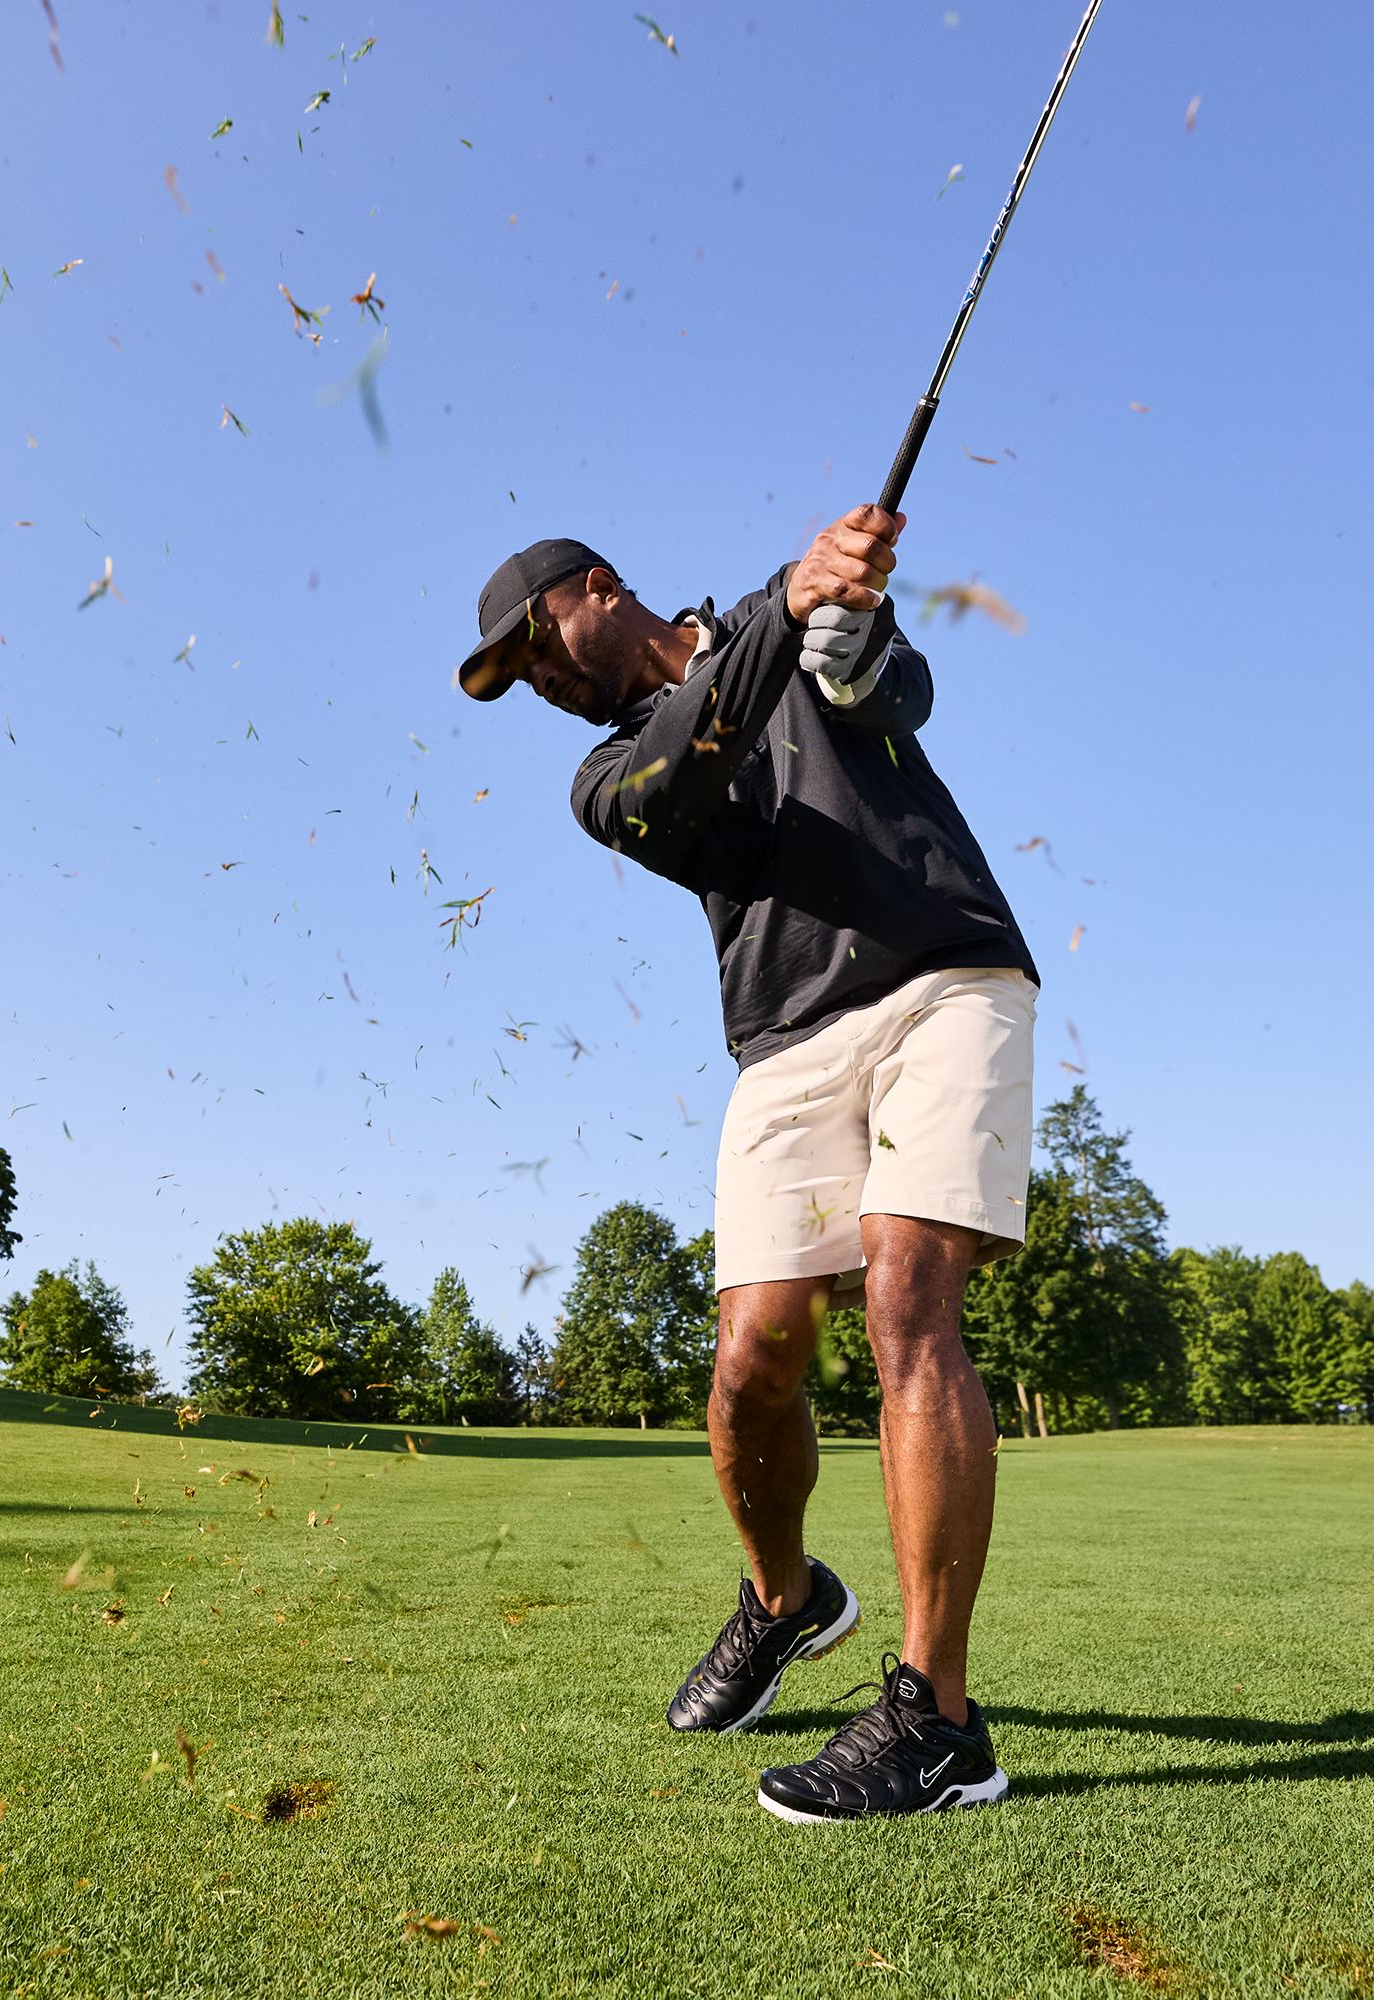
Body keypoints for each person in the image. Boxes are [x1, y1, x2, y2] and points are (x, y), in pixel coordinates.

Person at [454, 506, 1038, 1823]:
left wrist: (849, 649)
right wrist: (785, 604)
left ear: (594, 590)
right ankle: (785, 1600)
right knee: (749, 1364)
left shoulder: (786, 631)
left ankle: (939, 1722)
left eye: (533, 649)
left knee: (906, 1300)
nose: (537, 684)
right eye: (518, 680)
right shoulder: (608, 776)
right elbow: (686, 773)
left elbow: (904, 698)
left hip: (946, 974)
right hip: (783, 1043)